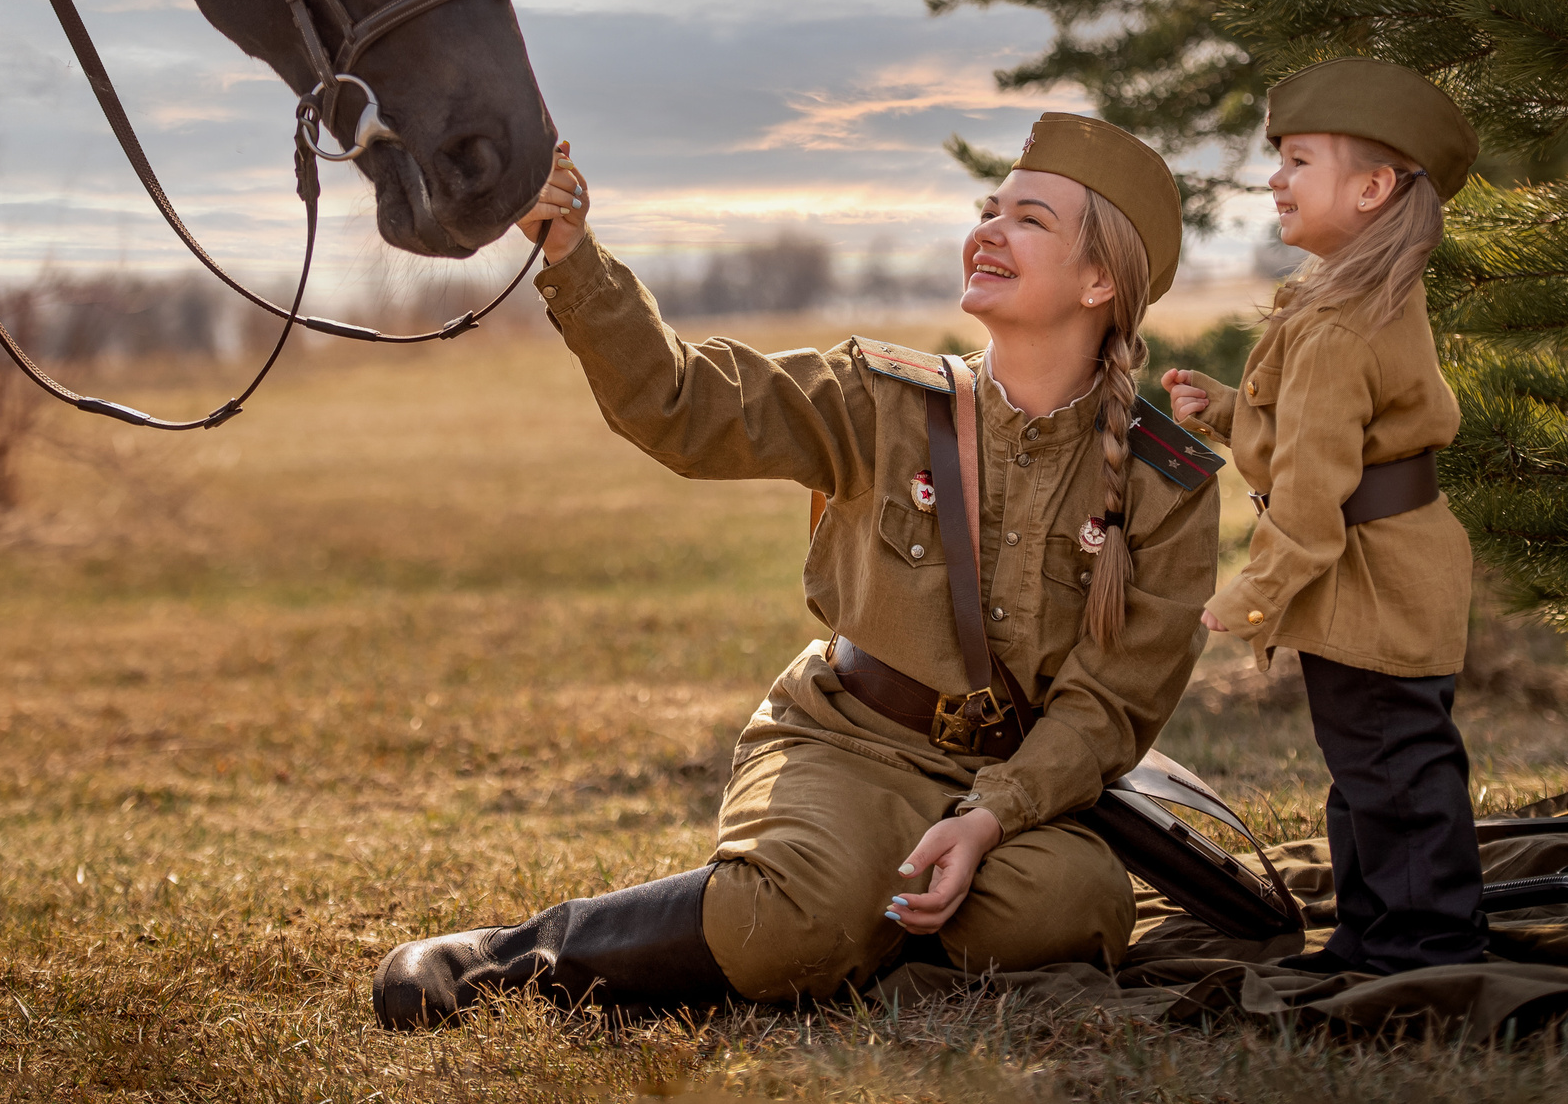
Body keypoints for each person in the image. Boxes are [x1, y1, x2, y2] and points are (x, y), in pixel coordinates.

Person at [374, 115, 1221, 1027]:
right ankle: (507, 955)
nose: (988, 230)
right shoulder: (881, 395)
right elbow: (685, 403)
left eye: (1029, 219)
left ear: (1099, 281)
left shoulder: (1164, 483)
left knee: (1071, 909)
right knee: (786, 921)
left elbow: (1108, 708)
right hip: (849, 742)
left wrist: (990, 815)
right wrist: (572, 253)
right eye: (990, 209)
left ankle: (853, 922)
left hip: (1013, 778)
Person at [1162, 56, 1487, 974]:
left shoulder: (1340, 323)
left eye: (1299, 161)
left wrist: (1254, 594)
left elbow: (1310, 492)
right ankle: (1371, 933)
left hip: (1369, 580)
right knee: (1369, 765)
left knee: (1395, 769)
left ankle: (1427, 949)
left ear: (1373, 188)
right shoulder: (1352, 300)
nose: (1276, 178)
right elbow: (1324, 432)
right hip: (1386, 569)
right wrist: (1231, 409)